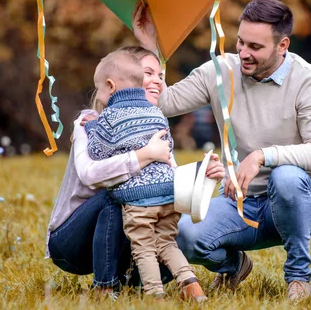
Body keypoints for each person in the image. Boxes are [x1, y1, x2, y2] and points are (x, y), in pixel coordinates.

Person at [134, 0, 311, 302]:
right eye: (240, 42)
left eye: (255, 47)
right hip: (241, 202)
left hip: (301, 201)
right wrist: (150, 47)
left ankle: (298, 277)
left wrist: (262, 156)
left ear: (282, 46)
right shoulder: (220, 72)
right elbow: (163, 103)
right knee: (182, 235)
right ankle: (234, 266)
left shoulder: (310, 82)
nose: (243, 53)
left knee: (285, 177)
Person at [46, 46, 225, 299]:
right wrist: (145, 154)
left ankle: (151, 286)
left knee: (164, 218)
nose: (155, 81)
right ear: (123, 81)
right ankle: (104, 286)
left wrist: (201, 173)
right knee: (116, 195)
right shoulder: (90, 122)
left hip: (120, 239)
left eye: (160, 76)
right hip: (73, 242)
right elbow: (89, 174)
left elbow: (164, 179)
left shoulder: (154, 123)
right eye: (147, 73)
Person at [83, 50, 205, 301]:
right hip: (168, 192)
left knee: (145, 248)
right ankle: (191, 284)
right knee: (167, 243)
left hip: (138, 197)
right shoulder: (156, 113)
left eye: (100, 90)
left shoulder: (110, 117)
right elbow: (167, 146)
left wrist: (93, 128)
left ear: (110, 85)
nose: (100, 96)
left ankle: (154, 295)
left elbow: (96, 152)